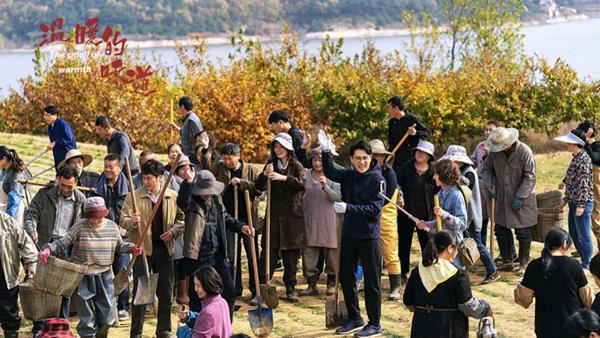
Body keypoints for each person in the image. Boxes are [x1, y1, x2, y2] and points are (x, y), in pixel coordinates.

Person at [39, 197, 143, 338]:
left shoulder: (112, 227)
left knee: (107, 315)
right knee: (86, 316)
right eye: (92, 217)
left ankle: (101, 334)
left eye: (98, 217)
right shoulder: (80, 226)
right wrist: (49, 249)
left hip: (104, 274)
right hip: (83, 275)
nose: (95, 221)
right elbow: (64, 241)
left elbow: (120, 246)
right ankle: (88, 336)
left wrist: (132, 248)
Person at [318, 130, 386, 338]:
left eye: (365, 158)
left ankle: (375, 323)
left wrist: (349, 208)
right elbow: (330, 172)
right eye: (357, 158)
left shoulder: (377, 179)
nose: (362, 162)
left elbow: (375, 208)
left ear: (371, 158)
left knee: (372, 282)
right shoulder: (350, 174)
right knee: (346, 277)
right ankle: (355, 317)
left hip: (369, 236)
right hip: (349, 233)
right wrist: (327, 150)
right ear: (352, 159)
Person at [120, 159, 185, 338]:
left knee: (165, 292)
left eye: (149, 178)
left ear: (160, 177)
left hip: (165, 249)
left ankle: (164, 330)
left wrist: (173, 231)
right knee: (142, 293)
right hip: (142, 250)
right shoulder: (134, 196)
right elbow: (122, 220)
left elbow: (182, 219)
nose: (146, 182)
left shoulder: (171, 196)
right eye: (144, 178)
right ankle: (136, 333)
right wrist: (132, 222)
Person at [177, 169, 253, 317]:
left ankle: (225, 327)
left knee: (229, 292)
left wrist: (241, 226)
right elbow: (181, 201)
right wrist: (188, 183)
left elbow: (226, 218)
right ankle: (198, 328)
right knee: (197, 296)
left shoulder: (216, 200)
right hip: (198, 255)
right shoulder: (191, 202)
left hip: (218, 254)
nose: (207, 193)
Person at [200, 143, 261, 302]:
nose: (227, 161)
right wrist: (207, 150)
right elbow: (206, 168)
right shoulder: (218, 168)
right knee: (232, 255)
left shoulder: (251, 169)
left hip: (247, 217)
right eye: (224, 158)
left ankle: (256, 290)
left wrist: (241, 182)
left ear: (238, 156)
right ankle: (235, 288)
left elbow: (258, 189)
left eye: (230, 158)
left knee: (252, 253)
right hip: (228, 219)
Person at [403, 231, 492, 338]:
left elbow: (408, 301)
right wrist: (485, 308)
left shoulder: (418, 272)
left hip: (421, 328)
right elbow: (467, 306)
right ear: (450, 248)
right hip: (450, 328)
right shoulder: (457, 274)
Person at [256, 133, 307, 303]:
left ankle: (290, 289)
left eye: (281, 147)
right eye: (276, 147)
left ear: (288, 148)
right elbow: (258, 186)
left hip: (292, 218)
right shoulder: (270, 165)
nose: (278, 150)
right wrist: (264, 174)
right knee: (268, 254)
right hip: (274, 218)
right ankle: (262, 288)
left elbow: (302, 184)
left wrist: (284, 178)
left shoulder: (296, 165)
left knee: (291, 256)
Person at [515, 227, 593, 338]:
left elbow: (524, 300)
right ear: (565, 244)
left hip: (545, 327)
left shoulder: (534, 265)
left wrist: (520, 285)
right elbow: (588, 299)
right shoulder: (574, 265)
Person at [481, 127, 537, 275]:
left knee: (523, 231)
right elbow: (485, 170)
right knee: (500, 229)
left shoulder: (524, 151)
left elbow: (530, 176)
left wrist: (521, 195)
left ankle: (524, 263)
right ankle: (507, 261)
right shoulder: (494, 153)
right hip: (501, 197)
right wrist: (490, 184)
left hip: (521, 199)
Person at [441, 145, 499, 283]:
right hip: (463, 215)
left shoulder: (469, 173)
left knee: (476, 244)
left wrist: (454, 175)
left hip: (471, 215)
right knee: (464, 244)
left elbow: (466, 188)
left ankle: (493, 271)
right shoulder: (461, 171)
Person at [92, 153, 131, 321]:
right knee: (103, 273)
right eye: (105, 166)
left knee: (122, 271)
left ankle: (123, 306)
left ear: (119, 168)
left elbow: (131, 212)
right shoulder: (97, 186)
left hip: (122, 236)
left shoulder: (128, 187)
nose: (107, 170)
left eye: (111, 167)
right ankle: (106, 306)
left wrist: (126, 226)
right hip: (103, 235)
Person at [300, 149, 341, 296]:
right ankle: (312, 285)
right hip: (310, 219)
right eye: (315, 160)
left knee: (332, 255)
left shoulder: (334, 175)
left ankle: (331, 283)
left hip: (329, 220)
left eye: (321, 160)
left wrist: (325, 187)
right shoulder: (305, 175)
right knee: (309, 254)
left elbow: (337, 198)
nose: (317, 163)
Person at [396, 140, 438, 283]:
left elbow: (439, 191)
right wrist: (399, 194)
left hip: (426, 215)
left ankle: (428, 269)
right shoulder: (406, 169)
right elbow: (396, 183)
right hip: (406, 213)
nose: (420, 154)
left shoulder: (433, 172)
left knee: (427, 242)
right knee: (404, 242)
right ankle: (403, 272)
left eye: (424, 153)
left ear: (429, 157)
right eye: (418, 151)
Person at [416, 159, 468, 268]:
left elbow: (463, 224)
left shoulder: (457, 196)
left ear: (444, 175)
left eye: (436, 174)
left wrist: (444, 214)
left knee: (454, 274)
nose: (434, 177)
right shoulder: (440, 194)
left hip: (453, 247)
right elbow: (440, 222)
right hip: (442, 245)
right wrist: (426, 225)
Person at [368, 139, 402, 300]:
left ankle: (395, 286)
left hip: (385, 215)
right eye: (372, 155)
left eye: (378, 156)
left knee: (390, 251)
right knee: (370, 253)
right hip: (366, 216)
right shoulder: (361, 173)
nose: (375, 159)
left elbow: (387, 198)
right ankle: (373, 284)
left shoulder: (389, 173)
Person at [555, 130, 594, 269]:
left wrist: (581, 205)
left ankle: (587, 263)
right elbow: (572, 182)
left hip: (581, 203)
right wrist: (565, 200)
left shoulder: (584, 160)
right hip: (573, 201)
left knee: (584, 235)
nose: (566, 144)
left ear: (575, 143)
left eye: (568, 142)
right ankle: (583, 259)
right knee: (573, 233)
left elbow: (583, 183)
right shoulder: (576, 157)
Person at [0, 210, 38, 338]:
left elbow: (25, 242)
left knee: (9, 310)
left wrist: (31, 262)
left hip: (6, 274)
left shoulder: (7, 221)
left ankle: (11, 334)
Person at [177, 266, 233, 338]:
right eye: (195, 285)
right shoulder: (222, 302)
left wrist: (182, 330)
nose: (195, 289)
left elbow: (207, 320)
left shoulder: (208, 312)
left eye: (198, 286)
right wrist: (189, 317)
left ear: (207, 285)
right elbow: (207, 323)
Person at [470, 120, 500, 247]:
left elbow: (498, 167)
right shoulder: (480, 145)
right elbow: (473, 161)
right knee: (480, 218)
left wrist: (488, 155)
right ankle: (481, 248)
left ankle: (507, 252)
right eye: (486, 129)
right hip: (479, 185)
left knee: (497, 221)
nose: (487, 132)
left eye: (491, 130)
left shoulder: (499, 147)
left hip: (493, 185)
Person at [387, 96, 429, 172]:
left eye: (389, 108)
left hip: (410, 159)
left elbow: (426, 133)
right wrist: (388, 156)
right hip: (397, 159)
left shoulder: (412, 119)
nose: (388, 110)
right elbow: (391, 142)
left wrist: (416, 132)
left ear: (396, 108)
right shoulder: (392, 123)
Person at [577, 121, 600, 249]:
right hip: (587, 188)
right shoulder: (586, 149)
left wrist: (585, 141)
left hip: (597, 185)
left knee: (596, 218)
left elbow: (595, 158)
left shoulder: (597, 146)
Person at [0, 146, 29, 224]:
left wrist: (8, 220)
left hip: (14, 212)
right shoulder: (3, 171)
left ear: (4, 159)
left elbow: (14, 199)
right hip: (3, 210)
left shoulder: (15, 173)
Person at [170, 96, 203, 163]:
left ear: (182, 106)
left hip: (193, 158)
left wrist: (191, 158)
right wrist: (176, 128)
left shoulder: (191, 120)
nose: (178, 110)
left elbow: (194, 140)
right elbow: (186, 133)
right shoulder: (189, 119)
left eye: (179, 107)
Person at [43, 105, 77, 169]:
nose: (46, 117)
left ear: (55, 115)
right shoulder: (50, 127)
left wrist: (55, 143)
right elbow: (53, 142)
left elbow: (68, 138)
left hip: (67, 153)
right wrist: (51, 146)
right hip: (58, 154)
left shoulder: (62, 124)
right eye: (45, 115)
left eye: (49, 115)